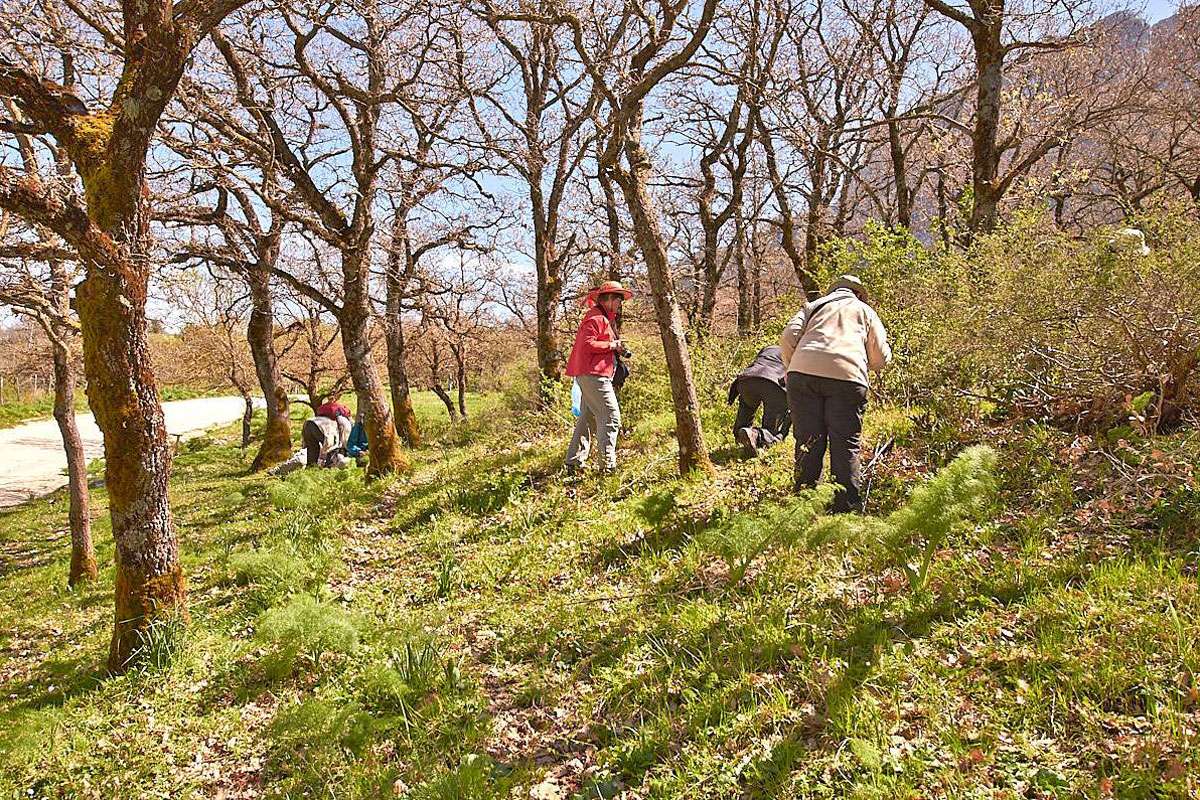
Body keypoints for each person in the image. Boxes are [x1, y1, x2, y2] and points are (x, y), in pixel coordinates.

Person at [780, 275, 890, 513]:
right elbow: (880, 357)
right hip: (847, 378)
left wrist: (792, 368)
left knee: (808, 441)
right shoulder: (865, 311)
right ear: (859, 294)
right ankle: (846, 509)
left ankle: (805, 506)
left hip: (802, 375)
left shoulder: (814, 306)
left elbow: (788, 337)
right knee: (845, 444)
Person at [565, 279, 632, 474]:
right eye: (618, 300)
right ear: (609, 299)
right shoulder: (596, 318)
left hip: (589, 375)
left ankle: (574, 463)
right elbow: (587, 344)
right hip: (594, 376)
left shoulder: (602, 318)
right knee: (611, 417)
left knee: (588, 417)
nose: (620, 304)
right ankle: (607, 468)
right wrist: (612, 346)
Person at [728, 345, 790, 457]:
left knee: (747, 405)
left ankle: (741, 434)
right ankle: (756, 436)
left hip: (747, 379)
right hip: (774, 384)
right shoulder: (794, 354)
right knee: (771, 429)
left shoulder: (769, 348)